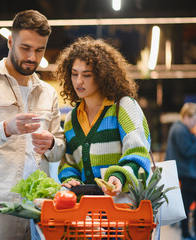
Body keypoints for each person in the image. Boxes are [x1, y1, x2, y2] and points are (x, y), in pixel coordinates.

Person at [0, 10, 65, 240]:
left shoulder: (48, 93)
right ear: (10, 41)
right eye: (25, 48)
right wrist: (6, 128)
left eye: (39, 50)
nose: (32, 57)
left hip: (39, 205)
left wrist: (52, 143)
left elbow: (59, 149)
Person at [55, 36, 151, 197]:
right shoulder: (72, 119)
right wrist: (70, 178)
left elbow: (138, 152)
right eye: (74, 74)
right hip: (87, 213)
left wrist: (120, 176)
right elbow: (69, 162)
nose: (79, 81)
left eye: (86, 75)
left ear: (102, 76)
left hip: (123, 208)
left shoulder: (123, 107)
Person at [165, 102, 196, 240]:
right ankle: (190, 234)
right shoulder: (180, 130)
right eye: (194, 120)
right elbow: (187, 151)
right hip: (187, 173)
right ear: (187, 116)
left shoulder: (183, 130)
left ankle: (190, 233)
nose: (195, 124)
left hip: (188, 173)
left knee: (189, 204)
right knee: (192, 203)